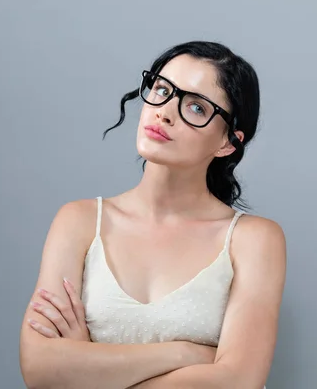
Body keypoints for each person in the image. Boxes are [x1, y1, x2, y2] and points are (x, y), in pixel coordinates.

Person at [19, 40, 286, 389]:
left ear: (228, 143)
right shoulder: (79, 222)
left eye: (196, 107)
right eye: (162, 89)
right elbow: (40, 369)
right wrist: (185, 354)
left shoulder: (253, 240)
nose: (164, 112)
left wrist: (87, 364)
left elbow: (238, 381)